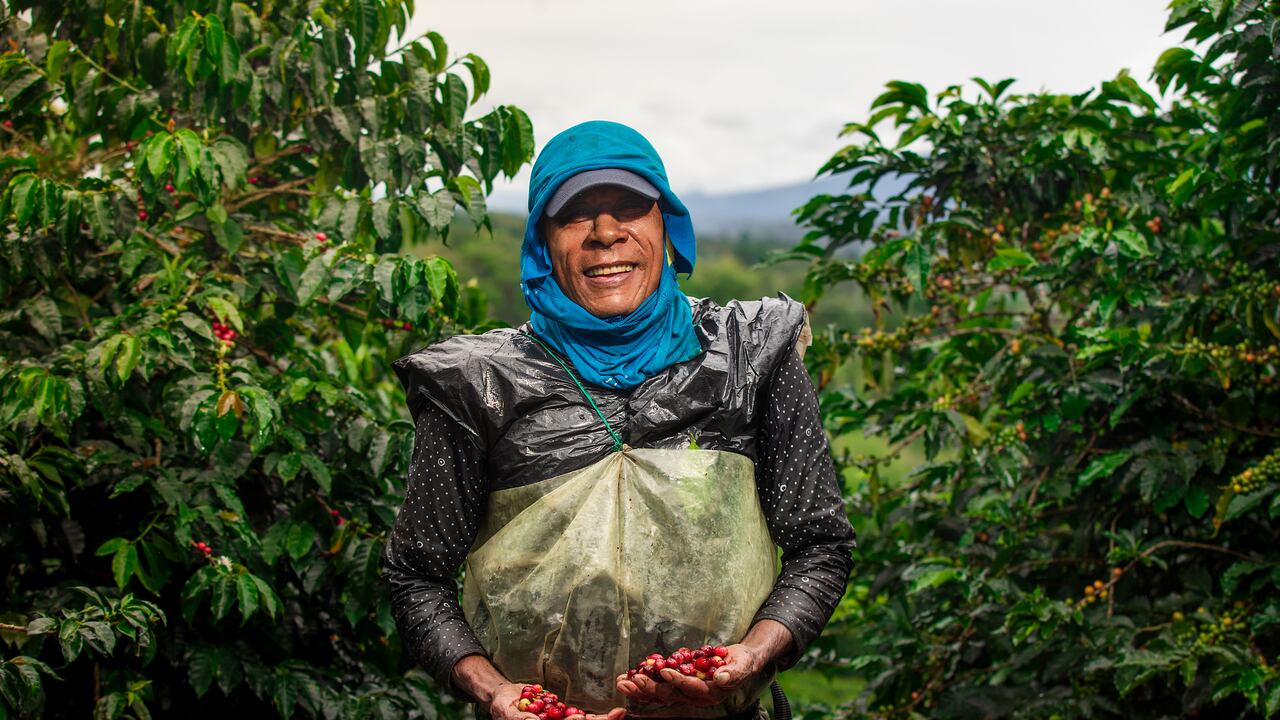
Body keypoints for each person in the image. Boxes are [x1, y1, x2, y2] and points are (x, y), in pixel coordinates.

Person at [382, 121, 855, 720]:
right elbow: (415, 577)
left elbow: (821, 545)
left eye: (630, 207)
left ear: (666, 223)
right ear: (541, 241)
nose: (606, 234)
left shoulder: (749, 354)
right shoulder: (477, 383)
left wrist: (753, 657)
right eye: (575, 215)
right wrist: (498, 693)